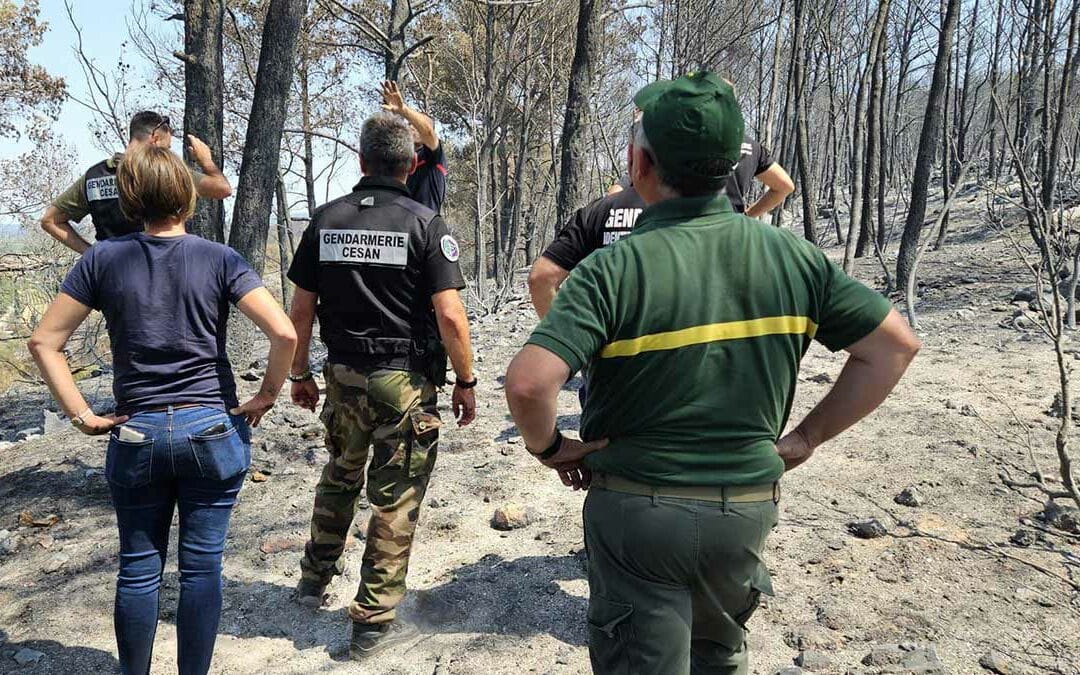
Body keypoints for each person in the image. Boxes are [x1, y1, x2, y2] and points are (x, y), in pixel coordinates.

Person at [504, 72, 920, 674]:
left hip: (637, 514)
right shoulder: (796, 259)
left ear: (639, 163)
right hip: (744, 509)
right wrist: (805, 437)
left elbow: (527, 383)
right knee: (718, 656)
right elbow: (895, 348)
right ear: (733, 165)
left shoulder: (610, 271)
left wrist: (550, 447)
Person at [27, 145, 296, 675]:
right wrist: (266, 394)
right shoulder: (220, 258)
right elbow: (284, 332)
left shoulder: (102, 260)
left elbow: (43, 343)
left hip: (136, 432)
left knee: (138, 570)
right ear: (188, 200)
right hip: (212, 428)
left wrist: (82, 415)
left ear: (130, 202)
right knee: (200, 570)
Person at [287, 111, 477, 660]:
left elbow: (300, 311)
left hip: (343, 377)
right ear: (412, 164)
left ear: (362, 161)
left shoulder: (325, 221)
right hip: (404, 384)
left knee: (339, 477)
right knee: (395, 499)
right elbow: (451, 317)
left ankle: (313, 581)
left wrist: (299, 372)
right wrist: (466, 380)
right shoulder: (426, 224)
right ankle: (370, 621)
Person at [40, 110, 232, 254]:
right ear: (155, 139)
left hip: (112, 280)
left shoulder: (94, 176)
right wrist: (205, 160)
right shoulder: (164, 171)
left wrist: (92, 254)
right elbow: (222, 189)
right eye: (166, 148)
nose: (166, 155)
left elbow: (50, 220)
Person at [380, 80, 447, 213]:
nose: (411, 127)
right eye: (410, 124)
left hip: (425, 228)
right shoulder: (404, 160)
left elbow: (427, 131)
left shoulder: (433, 157)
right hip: (403, 226)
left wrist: (403, 110)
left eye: (416, 125)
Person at [726, 135, 794, 217]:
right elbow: (785, 186)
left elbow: (785, 187)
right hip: (733, 225)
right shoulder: (751, 146)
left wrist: (749, 215)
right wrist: (749, 216)